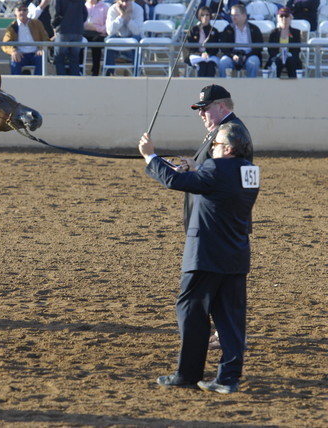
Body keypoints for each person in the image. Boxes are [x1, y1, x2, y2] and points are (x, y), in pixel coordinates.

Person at [139, 122, 260, 394]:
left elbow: (175, 181)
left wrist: (150, 156)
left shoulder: (215, 170)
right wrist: (197, 169)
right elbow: (218, 185)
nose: (211, 149)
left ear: (227, 149)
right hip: (235, 255)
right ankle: (228, 378)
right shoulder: (250, 172)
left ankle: (187, 373)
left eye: (214, 145)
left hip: (206, 255)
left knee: (190, 311)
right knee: (231, 320)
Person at [179, 84, 253, 351]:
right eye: (199, 109)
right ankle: (226, 332)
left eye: (205, 108)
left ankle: (227, 334)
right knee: (226, 285)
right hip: (223, 221)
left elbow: (231, 179)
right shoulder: (222, 132)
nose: (201, 114)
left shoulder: (231, 133)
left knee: (220, 285)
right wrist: (195, 167)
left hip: (220, 224)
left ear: (222, 106)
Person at [2, 0, 50, 75]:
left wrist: (41, 49)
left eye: (25, 10)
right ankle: (16, 83)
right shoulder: (12, 27)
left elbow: (46, 39)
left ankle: (39, 83)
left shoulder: (37, 24)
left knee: (42, 59)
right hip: (21, 55)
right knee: (14, 60)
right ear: (15, 12)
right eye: (19, 10)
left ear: (28, 11)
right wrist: (13, 51)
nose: (22, 12)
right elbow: (5, 43)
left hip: (35, 54)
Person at [218, 3, 263, 78]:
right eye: (232, 15)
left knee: (254, 62)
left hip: (249, 55)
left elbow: (259, 47)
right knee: (223, 62)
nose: (233, 17)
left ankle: (250, 86)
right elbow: (223, 47)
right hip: (232, 56)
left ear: (244, 16)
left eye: (236, 15)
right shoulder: (228, 29)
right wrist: (232, 55)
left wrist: (247, 55)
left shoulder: (254, 29)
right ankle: (223, 86)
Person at [50, 0, 88, 76]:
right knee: (74, 59)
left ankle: (62, 82)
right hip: (77, 31)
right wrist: (78, 23)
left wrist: (55, 25)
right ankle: (75, 82)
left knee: (59, 59)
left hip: (63, 31)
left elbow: (55, 15)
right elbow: (85, 14)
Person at [104, 0, 143, 69]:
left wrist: (127, 18)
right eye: (122, 1)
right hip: (117, 37)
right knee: (108, 39)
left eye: (127, 1)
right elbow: (110, 31)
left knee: (138, 39)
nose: (125, 4)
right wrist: (121, 16)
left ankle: (136, 72)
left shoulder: (138, 9)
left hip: (132, 37)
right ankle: (109, 72)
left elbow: (137, 31)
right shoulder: (112, 9)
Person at [266, 7, 303, 78]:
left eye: (286, 16)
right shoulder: (273, 33)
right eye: (281, 16)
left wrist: (287, 55)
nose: (284, 19)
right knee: (276, 62)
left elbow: (296, 50)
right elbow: (271, 50)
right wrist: (279, 56)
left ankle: (294, 85)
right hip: (277, 57)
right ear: (278, 18)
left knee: (291, 61)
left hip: (291, 58)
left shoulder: (296, 32)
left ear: (290, 18)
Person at [185, 6, 220, 77]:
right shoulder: (193, 30)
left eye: (207, 15)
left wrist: (207, 54)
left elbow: (216, 48)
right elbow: (189, 46)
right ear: (199, 16)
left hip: (210, 56)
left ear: (210, 16)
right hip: (196, 55)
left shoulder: (214, 31)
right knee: (202, 65)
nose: (205, 17)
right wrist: (200, 54)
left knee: (211, 66)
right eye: (202, 15)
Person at [83, 0, 109, 76]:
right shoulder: (83, 6)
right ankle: (80, 69)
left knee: (97, 43)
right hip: (85, 32)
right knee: (79, 41)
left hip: (99, 33)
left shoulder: (105, 8)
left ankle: (95, 71)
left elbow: (107, 26)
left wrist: (96, 28)